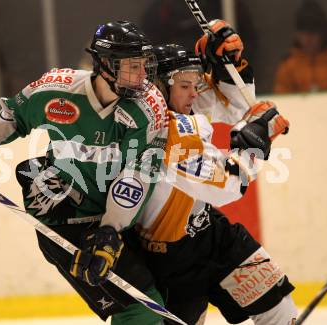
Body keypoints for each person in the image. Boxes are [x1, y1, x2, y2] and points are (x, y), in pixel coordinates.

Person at [0, 20, 169, 325]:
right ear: (105, 66)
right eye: (132, 66)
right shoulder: (56, 89)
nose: (143, 74)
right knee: (140, 308)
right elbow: (14, 116)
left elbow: (137, 175)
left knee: (159, 300)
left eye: (144, 65)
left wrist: (110, 230)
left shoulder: (147, 107)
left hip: (109, 218)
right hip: (63, 214)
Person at [116, 20, 296, 325]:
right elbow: (224, 186)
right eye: (185, 86)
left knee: (278, 306)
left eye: (195, 83)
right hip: (169, 258)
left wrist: (227, 63)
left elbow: (234, 105)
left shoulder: (178, 105)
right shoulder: (161, 130)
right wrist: (253, 143)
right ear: (159, 87)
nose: (194, 93)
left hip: (212, 233)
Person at [273, 0, 327, 93]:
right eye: (304, 34)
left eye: (313, 33)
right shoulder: (289, 64)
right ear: (297, 35)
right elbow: (282, 98)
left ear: (322, 33)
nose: (308, 39)